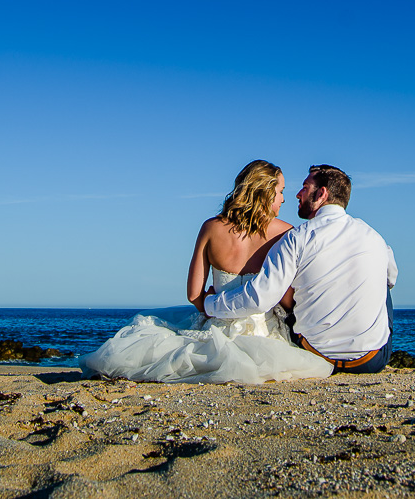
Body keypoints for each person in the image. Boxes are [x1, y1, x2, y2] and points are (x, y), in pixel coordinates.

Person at [78, 160, 333, 383]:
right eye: (280, 191)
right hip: (264, 333)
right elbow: (288, 298)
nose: (284, 199)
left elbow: (193, 294)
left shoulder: (211, 228)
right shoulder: (286, 233)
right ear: (265, 193)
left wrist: (211, 305)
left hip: (217, 327)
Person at [204, 164, 397, 373]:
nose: (298, 194)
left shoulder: (297, 238)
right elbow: (392, 279)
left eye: (305, 187)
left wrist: (211, 304)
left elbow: (260, 297)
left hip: (315, 354)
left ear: (322, 193)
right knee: (383, 279)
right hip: (370, 361)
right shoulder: (375, 238)